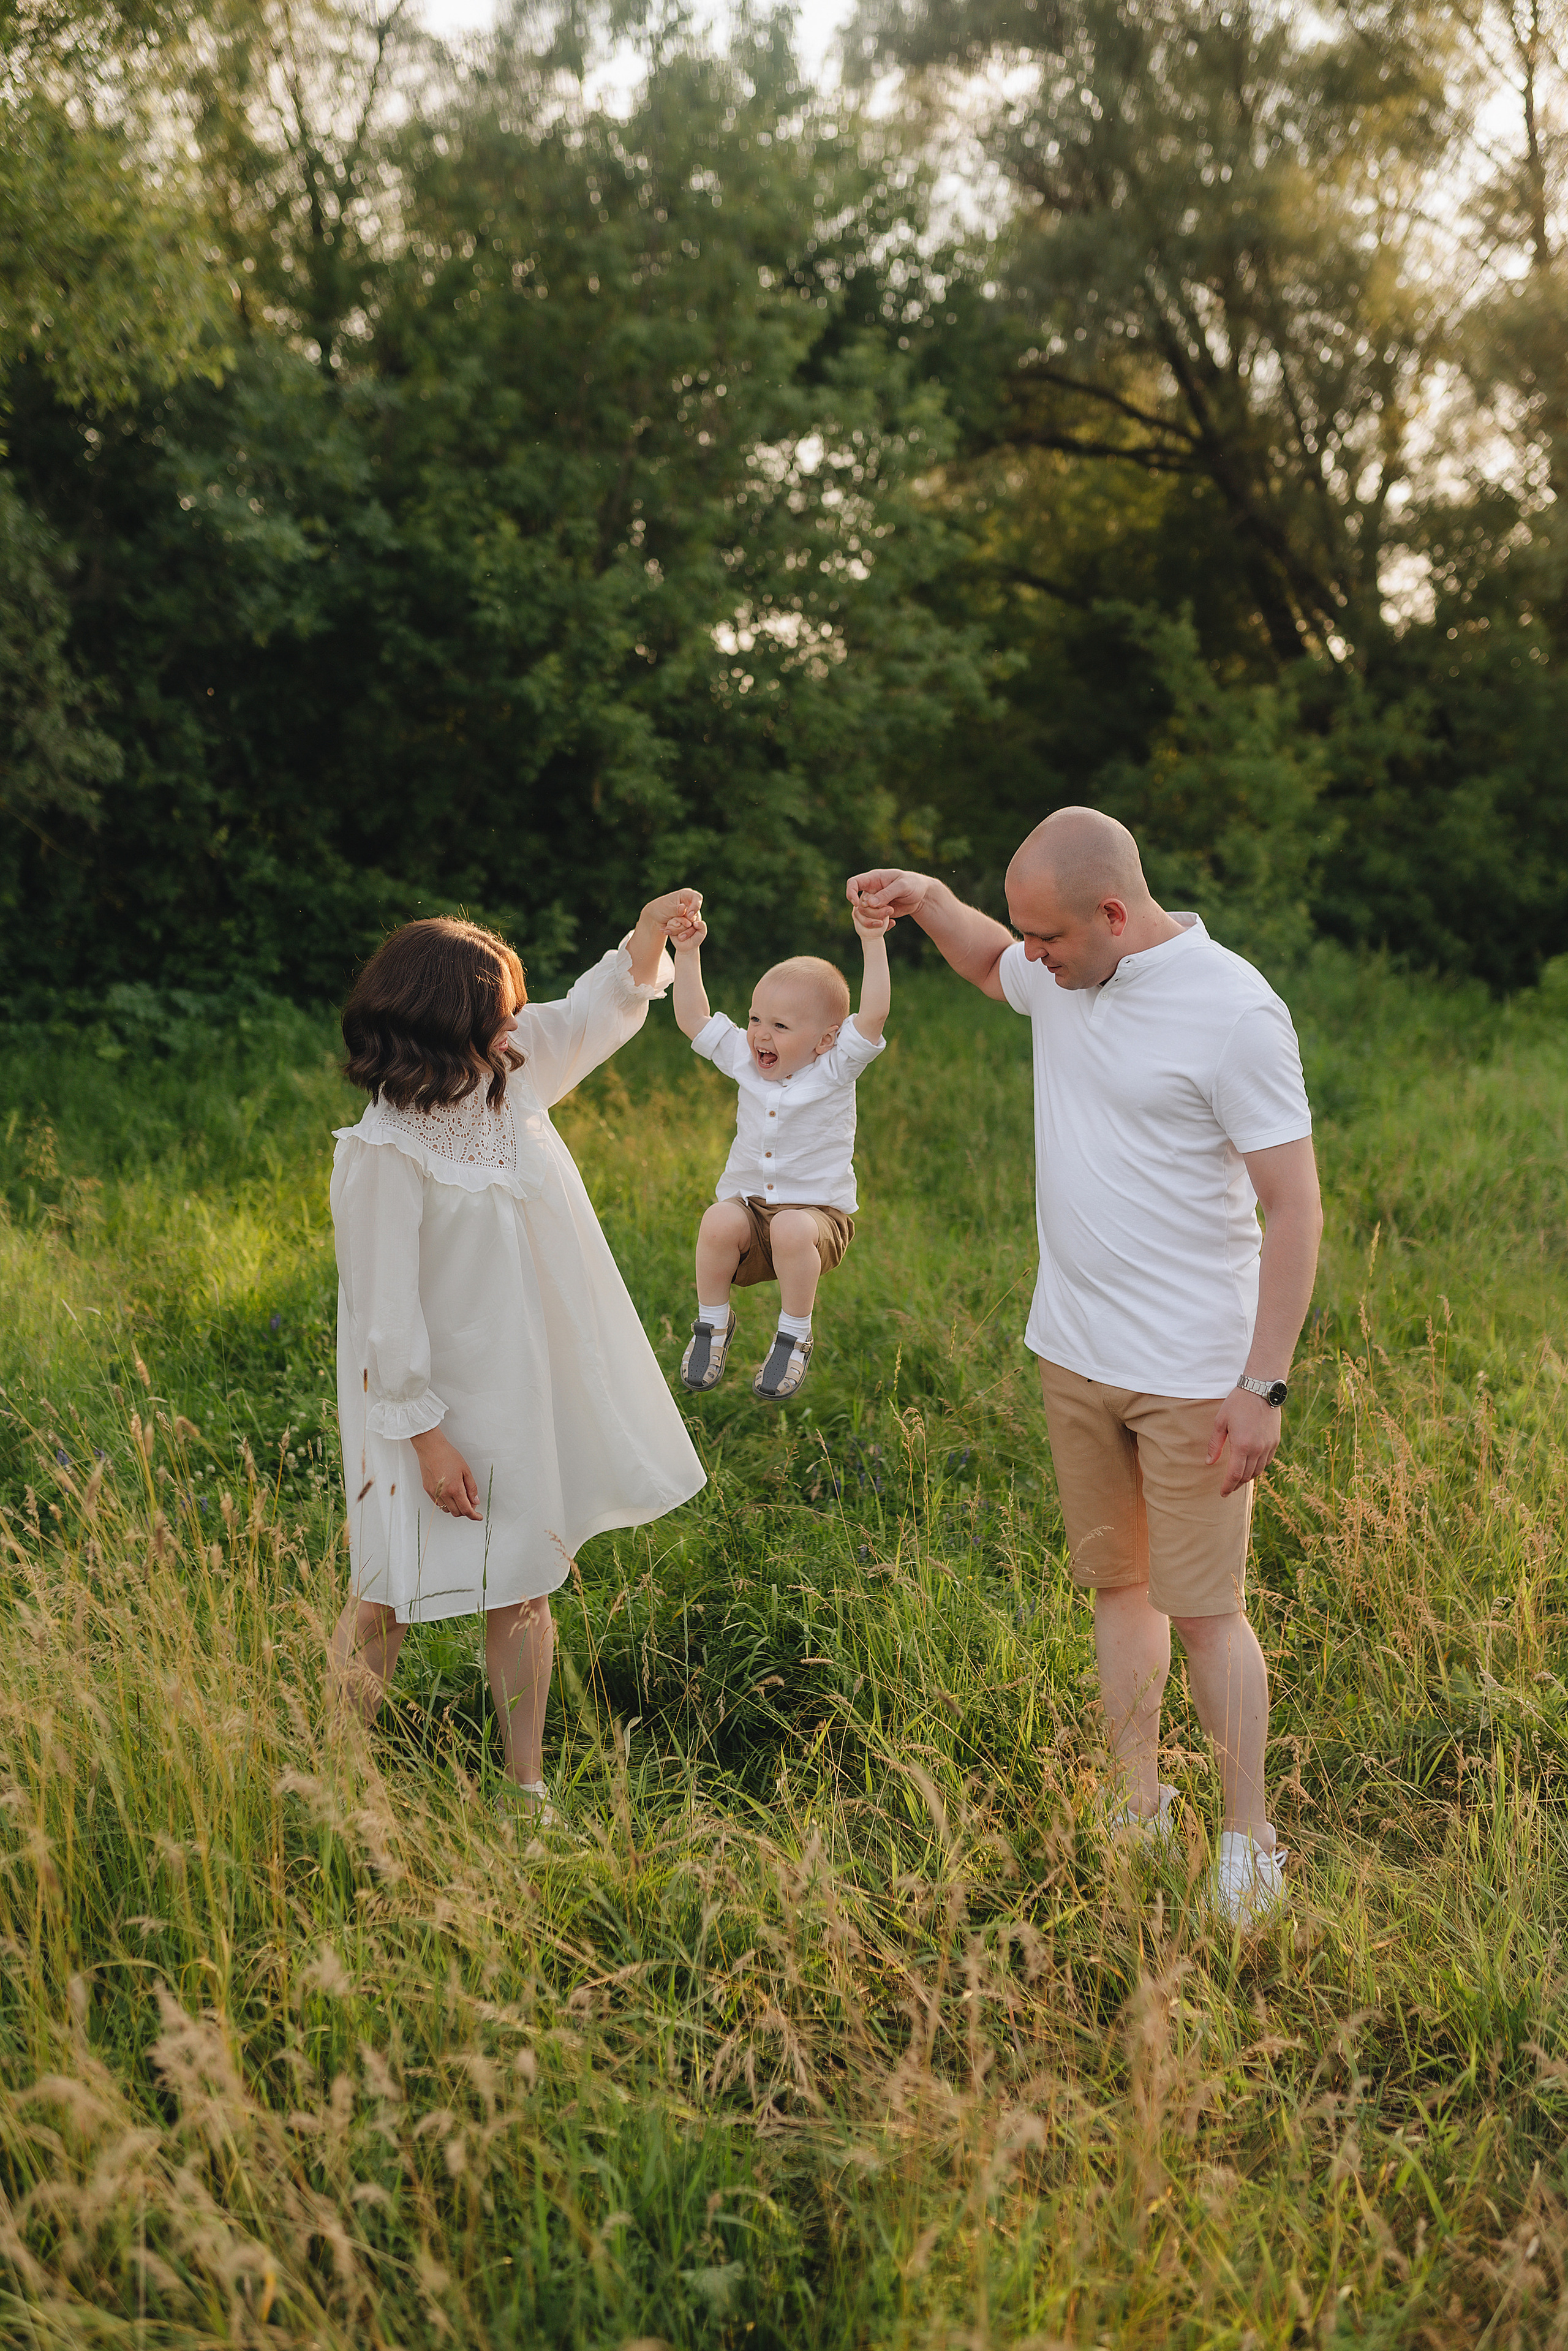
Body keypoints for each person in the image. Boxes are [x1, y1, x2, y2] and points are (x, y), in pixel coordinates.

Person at [848, 811, 1322, 1923]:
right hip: (1074, 1352)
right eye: (1026, 935)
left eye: (1046, 935)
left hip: (1194, 1374)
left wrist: (1263, 1387)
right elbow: (980, 958)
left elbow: (1294, 1206)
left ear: (1115, 912)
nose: (1031, 956)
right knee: (1118, 1588)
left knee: (1206, 1610)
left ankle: (1250, 1838)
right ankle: (1137, 1805)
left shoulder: (1235, 1011)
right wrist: (925, 897)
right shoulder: (1064, 971)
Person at [326, 900, 707, 1817]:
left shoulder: (512, 1077)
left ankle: (525, 1784)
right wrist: (427, 1440)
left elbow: (587, 1013)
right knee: (388, 1588)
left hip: (518, 1381)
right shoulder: (386, 1148)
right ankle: (337, 1778)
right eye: (497, 1009)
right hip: (418, 1405)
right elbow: (384, 1316)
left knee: (525, 1581)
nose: (514, 1023)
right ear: (441, 1021)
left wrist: (651, 934)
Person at [669, 899, 891, 1402]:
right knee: (717, 1220)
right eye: (755, 1019)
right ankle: (711, 1326)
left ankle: (794, 1335)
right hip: (753, 1214)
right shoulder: (747, 1060)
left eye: (781, 1027)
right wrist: (687, 953)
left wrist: (873, 942)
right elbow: (693, 1018)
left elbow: (874, 1013)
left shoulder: (836, 1068)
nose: (760, 1035)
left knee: (792, 1227)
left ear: (825, 1040)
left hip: (817, 1220)